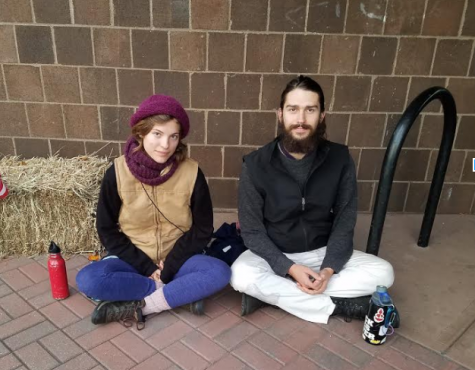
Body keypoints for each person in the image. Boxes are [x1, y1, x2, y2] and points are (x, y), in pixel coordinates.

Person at [230, 76, 398, 325]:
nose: (300, 119)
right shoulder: (256, 165)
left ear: (322, 116)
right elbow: (252, 231)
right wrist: (289, 267)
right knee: (240, 275)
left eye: (310, 109)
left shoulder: (339, 158)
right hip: (277, 251)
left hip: (323, 251)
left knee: (385, 273)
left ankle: (273, 296)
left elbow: (345, 219)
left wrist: (329, 269)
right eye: (293, 109)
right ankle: (339, 307)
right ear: (280, 114)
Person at [77, 94, 231, 328]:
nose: (165, 145)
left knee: (219, 272)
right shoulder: (117, 172)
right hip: (133, 259)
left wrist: (169, 266)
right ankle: (178, 295)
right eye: (157, 134)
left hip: (179, 259)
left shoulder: (192, 172)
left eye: (173, 137)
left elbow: (203, 228)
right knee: (89, 279)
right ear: (141, 133)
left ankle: (144, 306)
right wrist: (147, 267)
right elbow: (106, 229)